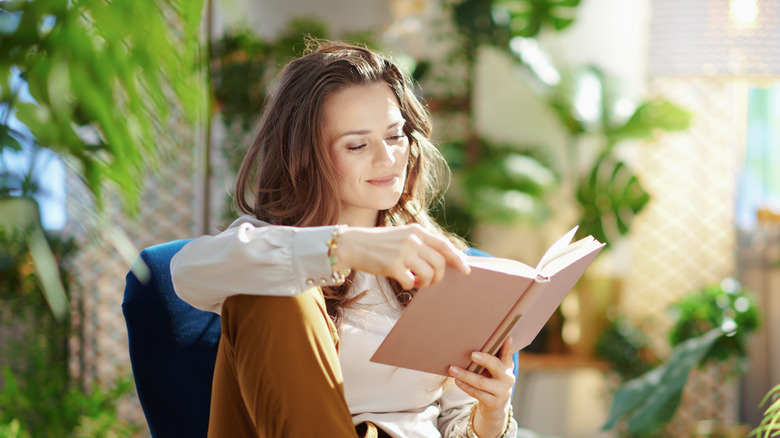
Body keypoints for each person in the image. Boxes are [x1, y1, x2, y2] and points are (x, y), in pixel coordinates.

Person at [171, 41, 518, 438]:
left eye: (395, 135)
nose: (387, 159)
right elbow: (185, 271)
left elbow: (456, 426)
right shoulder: (271, 248)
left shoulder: (439, 262)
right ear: (308, 156)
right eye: (357, 144)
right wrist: (345, 247)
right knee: (275, 284)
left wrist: (492, 414)